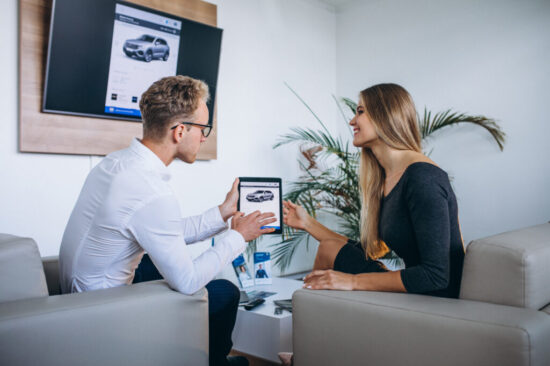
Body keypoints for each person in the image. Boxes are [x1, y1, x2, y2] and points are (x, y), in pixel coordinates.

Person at [59, 75, 276, 366]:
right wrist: (238, 237)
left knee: (154, 262)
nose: (204, 137)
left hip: (81, 295)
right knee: (224, 292)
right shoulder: (150, 189)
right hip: (103, 312)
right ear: (180, 131)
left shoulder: (116, 163)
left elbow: (163, 231)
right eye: (203, 129)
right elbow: (187, 282)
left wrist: (223, 212)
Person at [284, 83, 465, 298]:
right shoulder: (389, 178)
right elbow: (362, 250)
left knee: (328, 250)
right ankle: (312, 312)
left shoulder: (422, 178)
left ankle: (310, 314)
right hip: (419, 290)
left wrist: (352, 281)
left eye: (360, 112)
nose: (352, 121)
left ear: (384, 116)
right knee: (329, 247)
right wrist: (307, 223)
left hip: (437, 298)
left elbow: (436, 276)